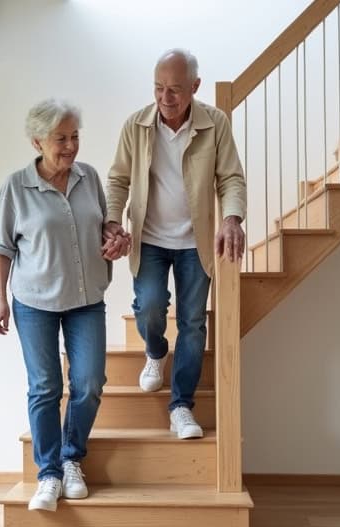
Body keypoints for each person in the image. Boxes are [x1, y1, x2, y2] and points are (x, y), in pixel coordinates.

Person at [0, 99, 130, 512]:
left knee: (88, 384)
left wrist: (116, 239)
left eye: (74, 136)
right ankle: (49, 473)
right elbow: (1, 248)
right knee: (46, 387)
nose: (70, 146)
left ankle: (72, 457)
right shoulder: (16, 187)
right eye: (60, 138)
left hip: (86, 299)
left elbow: (104, 226)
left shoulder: (88, 177)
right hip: (34, 303)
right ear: (37, 140)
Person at [104, 48, 246, 440]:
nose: (166, 98)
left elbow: (231, 177)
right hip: (148, 238)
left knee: (193, 323)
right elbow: (118, 180)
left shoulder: (214, 123)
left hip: (195, 242)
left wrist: (231, 218)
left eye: (176, 90)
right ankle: (155, 353)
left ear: (195, 87)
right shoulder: (136, 125)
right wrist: (113, 221)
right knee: (149, 308)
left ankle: (181, 405)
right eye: (159, 88)